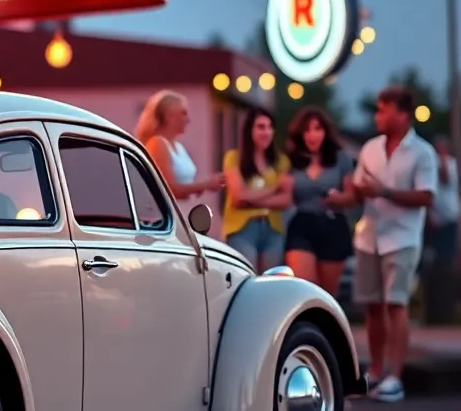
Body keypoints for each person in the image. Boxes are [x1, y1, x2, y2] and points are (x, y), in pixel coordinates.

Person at [337, 86, 436, 403]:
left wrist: (386, 192)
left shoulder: (422, 152)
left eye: (383, 110)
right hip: (369, 235)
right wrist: (351, 192)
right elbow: (357, 193)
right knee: (372, 306)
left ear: (402, 114)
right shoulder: (370, 148)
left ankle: (397, 376)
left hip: (403, 237)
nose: (377, 116)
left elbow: (426, 196)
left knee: (396, 303)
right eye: (377, 110)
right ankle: (377, 371)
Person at [283, 106, 355, 296]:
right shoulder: (291, 160)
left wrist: (338, 198)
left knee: (326, 295)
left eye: (317, 129)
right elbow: (284, 194)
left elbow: (352, 195)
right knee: (304, 289)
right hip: (302, 223)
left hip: (332, 224)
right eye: (307, 130)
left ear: (326, 132)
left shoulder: (341, 158)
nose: (312, 135)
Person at [221, 108, 291, 271]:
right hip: (242, 229)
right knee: (246, 276)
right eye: (260, 127)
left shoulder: (281, 161)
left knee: (270, 280)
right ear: (249, 130)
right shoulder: (234, 158)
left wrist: (250, 197)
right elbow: (238, 197)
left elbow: (285, 200)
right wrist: (274, 188)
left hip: (272, 228)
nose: (266, 132)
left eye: (269, 127)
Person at [136, 90, 225, 215]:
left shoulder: (178, 147)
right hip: (168, 216)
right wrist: (205, 185)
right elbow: (168, 189)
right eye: (183, 113)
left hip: (185, 214)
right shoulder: (157, 144)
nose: (188, 119)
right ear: (169, 116)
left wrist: (206, 184)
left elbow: (185, 187)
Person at [428, 135, 459, 267]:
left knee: (448, 253)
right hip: (435, 216)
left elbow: (445, 179)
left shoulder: (451, 163)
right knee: (435, 253)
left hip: (450, 214)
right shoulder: (432, 162)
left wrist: (442, 159)